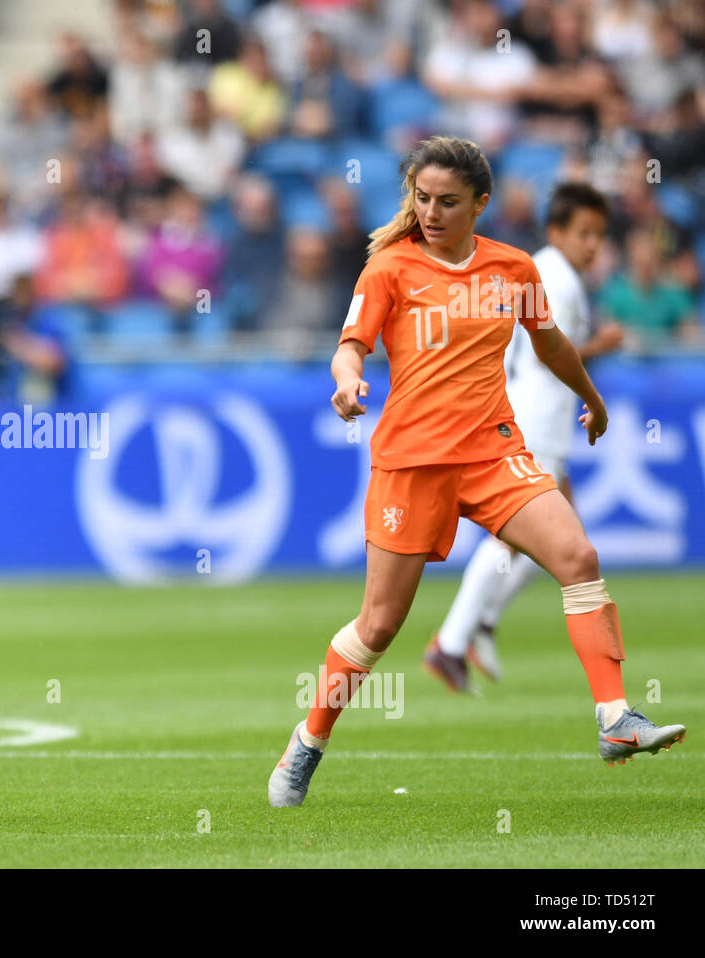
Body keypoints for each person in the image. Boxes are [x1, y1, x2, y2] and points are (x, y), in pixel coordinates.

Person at [266, 136, 686, 809]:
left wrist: (593, 396)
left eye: (448, 201)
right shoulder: (389, 268)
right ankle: (309, 740)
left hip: (494, 454)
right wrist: (346, 385)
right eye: (423, 198)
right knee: (377, 627)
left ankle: (615, 719)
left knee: (578, 556)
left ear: (480, 204)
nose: (431, 211)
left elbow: (550, 342)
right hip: (412, 464)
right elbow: (351, 348)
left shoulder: (512, 270)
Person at [425, 181, 626, 691]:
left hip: (545, 420)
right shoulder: (554, 276)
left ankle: (476, 628)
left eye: (599, 235)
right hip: (534, 419)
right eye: (583, 233)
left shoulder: (553, 273)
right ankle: (452, 642)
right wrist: (601, 344)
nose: (592, 245)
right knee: (520, 540)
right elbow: (547, 350)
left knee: (565, 544)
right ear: (556, 230)